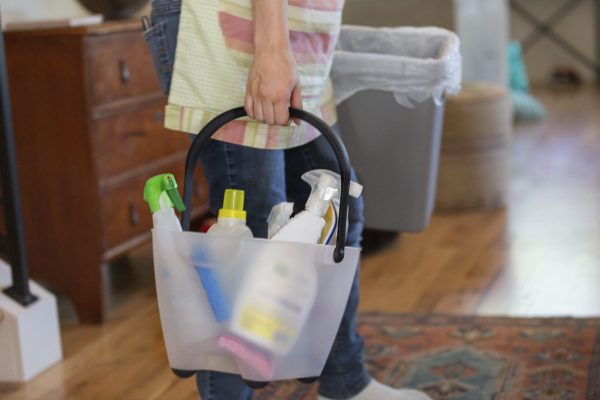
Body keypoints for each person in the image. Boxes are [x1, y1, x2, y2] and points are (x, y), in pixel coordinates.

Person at [144, 0, 432, 399]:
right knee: (249, 240)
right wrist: (272, 50)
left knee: (337, 211)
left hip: (294, 34)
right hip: (241, 29)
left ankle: (344, 384)